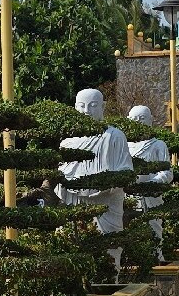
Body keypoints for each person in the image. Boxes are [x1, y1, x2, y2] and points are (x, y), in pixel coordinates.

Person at [56, 88, 134, 269]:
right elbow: (61, 176)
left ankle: (111, 279)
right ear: (75, 107)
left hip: (107, 204)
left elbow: (126, 170)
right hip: (75, 204)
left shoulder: (114, 136)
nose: (86, 111)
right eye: (81, 106)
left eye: (92, 106)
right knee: (73, 250)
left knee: (109, 251)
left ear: (103, 107)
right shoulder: (67, 141)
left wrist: (105, 185)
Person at [127, 105, 173, 261]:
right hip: (128, 195)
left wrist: (151, 183)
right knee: (128, 229)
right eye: (134, 119)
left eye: (142, 118)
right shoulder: (124, 144)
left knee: (154, 227)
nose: (138, 122)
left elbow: (167, 173)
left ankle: (156, 257)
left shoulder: (158, 144)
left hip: (151, 196)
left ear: (150, 120)